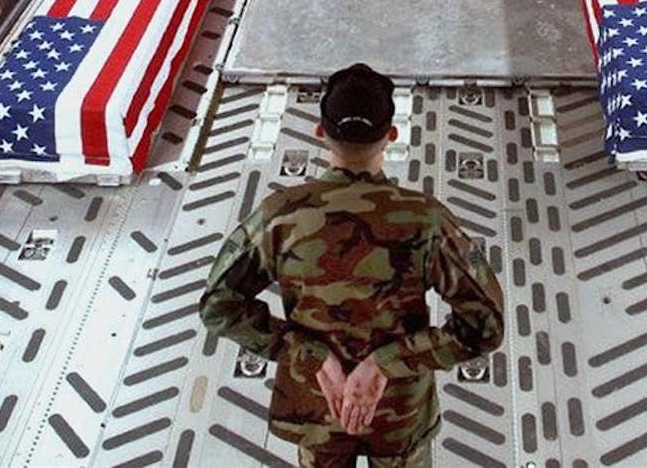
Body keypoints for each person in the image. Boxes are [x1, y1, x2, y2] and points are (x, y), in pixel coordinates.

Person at [199, 63, 505, 467]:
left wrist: (309, 354)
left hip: (317, 410)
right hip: (400, 417)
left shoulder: (280, 216)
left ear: (321, 132)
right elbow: (486, 324)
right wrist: (388, 362)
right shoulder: (426, 220)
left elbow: (219, 306)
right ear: (391, 136)